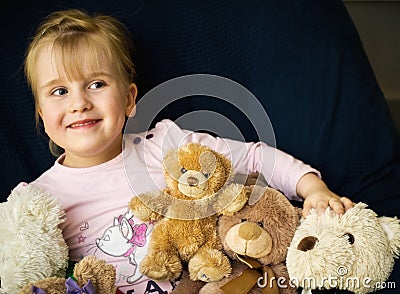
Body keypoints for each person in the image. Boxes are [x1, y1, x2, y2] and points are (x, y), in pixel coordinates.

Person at [20, 8, 353, 293]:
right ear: (42, 116)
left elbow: (254, 156)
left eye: (96, 84)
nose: (79, 103)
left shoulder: (166, 145)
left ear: (129, 99)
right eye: (60, 91)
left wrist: (313, 188)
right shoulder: (35, 203)